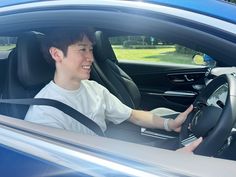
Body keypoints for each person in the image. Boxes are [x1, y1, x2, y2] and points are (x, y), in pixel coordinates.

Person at [24, 28, 202, 152]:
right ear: (56, 54)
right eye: (82, 49)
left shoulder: (93, 88)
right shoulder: (44, 115)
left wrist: (169, 124)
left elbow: (131, 114)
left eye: (91, 49)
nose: (91, 58)